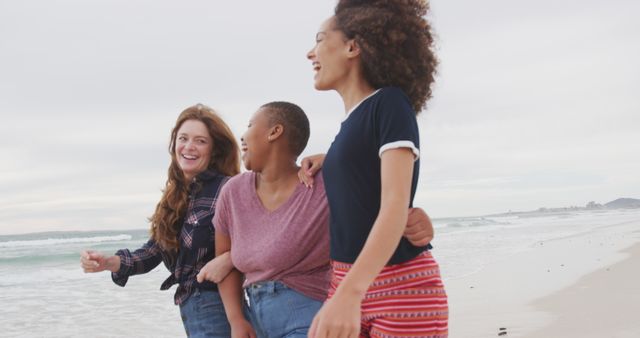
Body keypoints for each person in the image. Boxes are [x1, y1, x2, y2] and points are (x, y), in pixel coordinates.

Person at [199, 102, 436, 338]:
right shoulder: (233, 192)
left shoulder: (322, 182)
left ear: (275, 131)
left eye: (250, 125)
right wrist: (236, 319)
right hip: (256, 319)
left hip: (309, 315)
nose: (243, 136)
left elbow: (383, 200)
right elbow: (224, 262)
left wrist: (416, 216)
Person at [305, 0, 449, 337]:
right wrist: (328, 159)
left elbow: (395, 205)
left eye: (320, 39)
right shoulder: (348, 129)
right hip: (345, 281)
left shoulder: (389, 103)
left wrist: (349, 293)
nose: (310, 53)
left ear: (353, 46)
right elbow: (362, 177)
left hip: (400, 288)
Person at [80, 104, 241, 338]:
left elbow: (261, 238)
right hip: (191, 309)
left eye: (200, 141)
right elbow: (153, 251)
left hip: (221, 306)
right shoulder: (174, 199)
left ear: (214, 150)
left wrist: (229, 258)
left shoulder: (229, 188)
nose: (189, 147)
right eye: (183, 138)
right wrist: (108, 262)